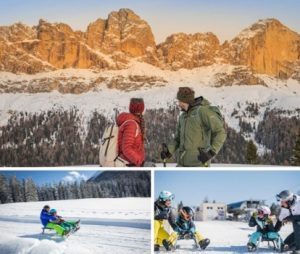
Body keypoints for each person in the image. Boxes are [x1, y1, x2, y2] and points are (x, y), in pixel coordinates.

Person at [161, 87, 226, 167]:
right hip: (182, 164)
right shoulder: (183, 116)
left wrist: (210, 153)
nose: (178, 103)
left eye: (179, 101)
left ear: (185, 101)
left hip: (199, 164)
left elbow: (221, 132)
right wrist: (168, 151)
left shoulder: (202, 112)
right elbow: (178, 139)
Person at [116, 98, 146, 167]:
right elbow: (126, 148)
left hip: (132, 163)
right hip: (129, 164)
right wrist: (139, 162)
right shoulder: (131, 124)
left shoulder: (134, 122)